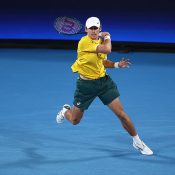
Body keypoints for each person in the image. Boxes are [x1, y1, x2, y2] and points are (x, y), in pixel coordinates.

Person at [56, 17, 153, 155]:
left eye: (96, 28)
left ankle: (138, 142)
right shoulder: (84, 42)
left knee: (122, 115)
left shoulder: (99, 40)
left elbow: (103, 61)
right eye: (91, 28)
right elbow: (107, 49)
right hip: (85, 86)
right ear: (86, 30)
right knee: (75, 120)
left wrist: (117, 65)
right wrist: (107, 36)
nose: (94, 31)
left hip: (103, 83)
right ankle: (65, 111)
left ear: (99, 28)